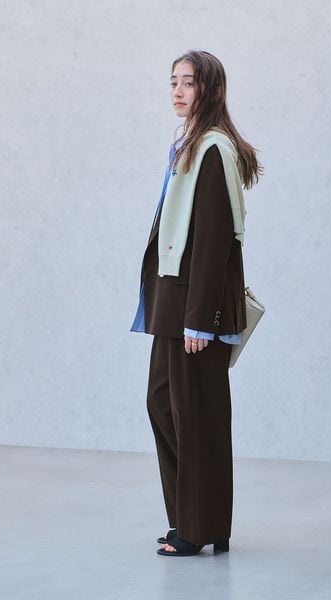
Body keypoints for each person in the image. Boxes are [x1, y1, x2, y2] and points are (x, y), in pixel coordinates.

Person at [130, 50, 262, 556]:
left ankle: (199, 527)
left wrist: (201, 320)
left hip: (194, 308)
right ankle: (196, 519)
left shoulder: (212, 150)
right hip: (173, 301)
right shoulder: (189, 145)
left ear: (211, 89)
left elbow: (213, 241)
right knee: (165, 403)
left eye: (189, 82)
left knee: (196, 414)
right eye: (173, 82)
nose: (178, 91)